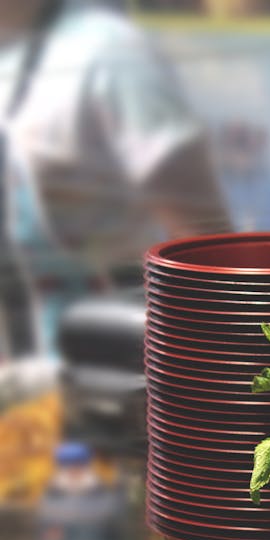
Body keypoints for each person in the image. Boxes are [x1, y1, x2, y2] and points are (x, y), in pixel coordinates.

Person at [0, 0, 231, 359]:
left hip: (127, 364)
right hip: (41, 370)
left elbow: (208, 248)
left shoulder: (107, 52)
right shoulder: (11, 56)